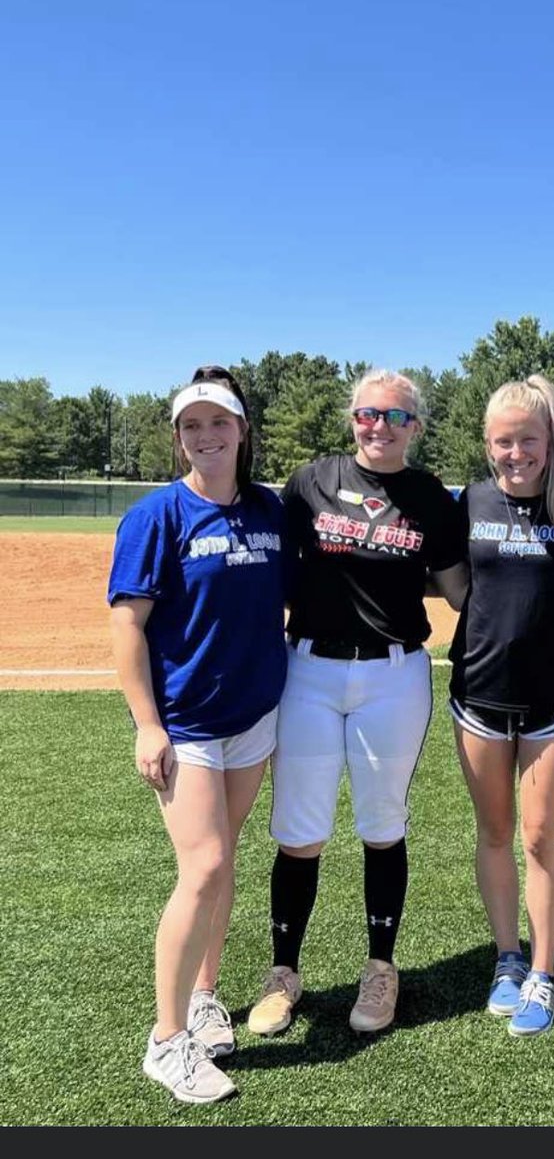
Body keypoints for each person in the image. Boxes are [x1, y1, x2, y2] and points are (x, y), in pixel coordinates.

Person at [246, 370, 468, 1039]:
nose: (380, 427)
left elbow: (458, 586)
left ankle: (381, 966)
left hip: (394, 674)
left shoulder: (429, 495)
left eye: (396, 417)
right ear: (353, 418)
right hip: (309, 670)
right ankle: (284, 972)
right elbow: (274, 570)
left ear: (416, 428)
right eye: (369, 414)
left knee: (382, 824)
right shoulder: (311, 481)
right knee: (299, 831)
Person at [109, 365, 289, 1104]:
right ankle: (165, 1041)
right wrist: (147, 724)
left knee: (224, 857)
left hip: (252, 716)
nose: (206, 436)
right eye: (192, 426)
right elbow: (127, 626)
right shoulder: (158, 517)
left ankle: (204, 995)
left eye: (219, 423)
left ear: (241, 430)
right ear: (179, 438)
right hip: (185, 723)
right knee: (205, 866)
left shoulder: (270, 511)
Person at [449, 375, 554, 1036]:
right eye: (502, 442)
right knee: (492, 834)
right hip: (478, 694)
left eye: (527, 440)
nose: (514, 453)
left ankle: (544, 973)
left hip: (553, 697)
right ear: (487, 444)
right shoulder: (470, 501)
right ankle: (507, 958)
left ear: (549, 440)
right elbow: (458, 587)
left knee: (540, 837)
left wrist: (539, 627)